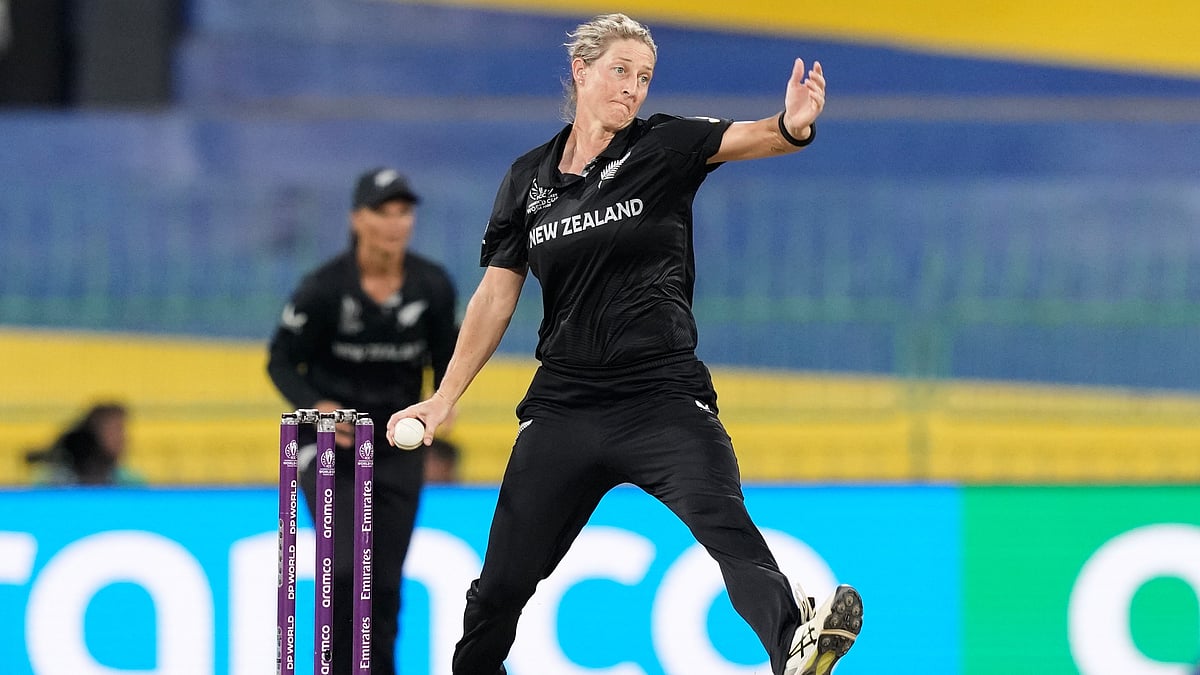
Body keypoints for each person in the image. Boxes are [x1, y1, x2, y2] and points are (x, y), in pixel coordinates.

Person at [387, 13, 862, 675]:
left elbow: (755, 137)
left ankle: (792, 647)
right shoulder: (528, 181)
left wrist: (793, 124)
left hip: (662, 396)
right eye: (620, 71)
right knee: (499, 587)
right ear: (580, 70)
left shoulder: (664, 145)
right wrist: (443, 397)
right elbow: (497, 296)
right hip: (564, 408)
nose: (632, 88)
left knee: (727, 527)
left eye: (642, 77)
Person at [268, 167, 458, 674]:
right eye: (383, 212)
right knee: (348, 570)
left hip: (397, 446)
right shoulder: (324, 289)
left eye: (403, 213)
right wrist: (318, 406)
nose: (395, 224)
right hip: (332, 447)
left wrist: (445, 400)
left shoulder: (432, 286)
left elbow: (447, 357)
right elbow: (280, 362)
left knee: (386, 581)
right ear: (358, 219)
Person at [26, 402, 146, 486]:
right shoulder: (53, 483)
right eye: (114, 430)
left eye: (122, 430)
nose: (122, 438)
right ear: (93, 434)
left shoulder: (130, 483)